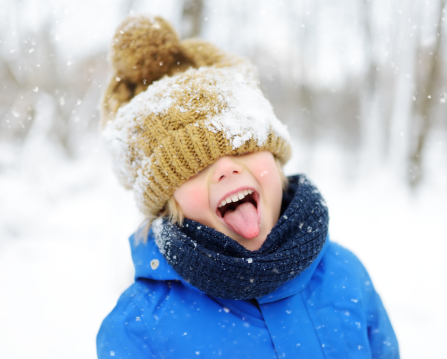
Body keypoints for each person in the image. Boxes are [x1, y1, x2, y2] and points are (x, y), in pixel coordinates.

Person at [97, 14, 399, 359]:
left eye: (241, 145)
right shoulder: (140, 326)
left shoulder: (344, 273)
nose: (226, 168)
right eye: (194, 167)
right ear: (166, 203)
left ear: (275, 158)